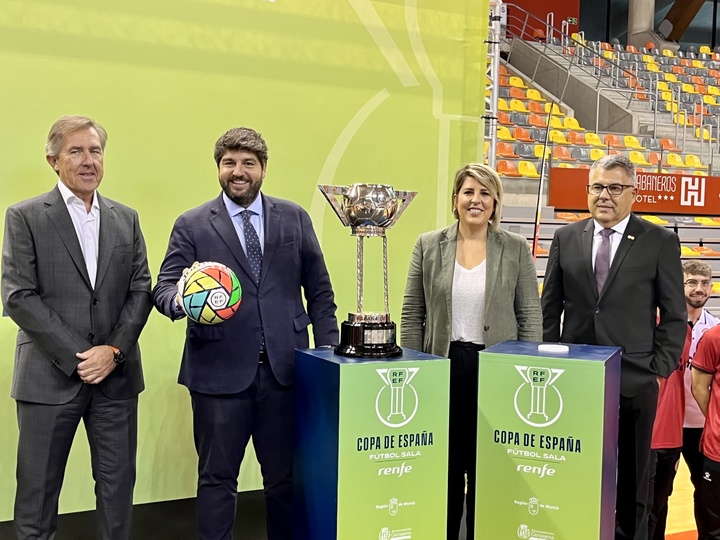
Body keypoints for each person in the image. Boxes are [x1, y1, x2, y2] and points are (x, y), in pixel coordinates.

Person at [152, 126, 338, 540]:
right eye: (229, 163)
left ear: (263, 169)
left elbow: (320, 292)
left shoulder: (294, 217)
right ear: (218, 168)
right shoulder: (193, 223)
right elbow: (163, 287)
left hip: (286, 373)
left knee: (286, 481)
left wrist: (327, 355)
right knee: (217, 481)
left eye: (247, 163)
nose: (238, 171)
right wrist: (183, 300)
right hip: (217, 375)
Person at [1, 115, 152, 540]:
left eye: (95, 151)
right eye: (76, 151)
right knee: (37, 498)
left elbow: (141, 288)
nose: (89, 161)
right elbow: (18, 295)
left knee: (118, 495)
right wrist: (80, 357)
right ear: (53, 160)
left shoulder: (127, 217)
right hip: (48, 380)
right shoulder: (25, 216)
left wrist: (113, 352)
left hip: (116, 378)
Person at [541, 154, 686, 540]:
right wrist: (555, 361)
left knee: (635, 481)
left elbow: (674, 315)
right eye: (597, 187)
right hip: (575, 381)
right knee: (577, 469)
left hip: (636, 379)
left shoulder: (659, 240)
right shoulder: (566, 237)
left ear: (633, 193)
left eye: (615, 187)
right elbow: (549, 308)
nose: (605, 195)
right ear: (588, 191)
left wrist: (658, 370)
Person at [400, 162, 542, 540]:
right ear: (455, 200)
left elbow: (529, 315)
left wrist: (523, 375)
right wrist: (415, 371)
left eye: (484, 193)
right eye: (468, 192)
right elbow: (412, 313)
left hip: (496, 371)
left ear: (495, 202)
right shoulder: (428, 244)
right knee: (445, 466)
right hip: (442, 368)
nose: (476, 200)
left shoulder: (515, 248)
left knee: (488, 468)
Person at [649, 261, 719, 539]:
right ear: (679, 286)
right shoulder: (658, 326)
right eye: (691, 282)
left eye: (704, 283)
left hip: (701, 426)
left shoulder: (714, 329)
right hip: (665, 424)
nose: (698, 288)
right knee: (658, 494)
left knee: (706, 493)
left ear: (711, 288)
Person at [692, 306, 720, 540]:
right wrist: (715, 419)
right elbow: (699, 387)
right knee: (713, 525)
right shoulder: (713, 337)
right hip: (717, 447)